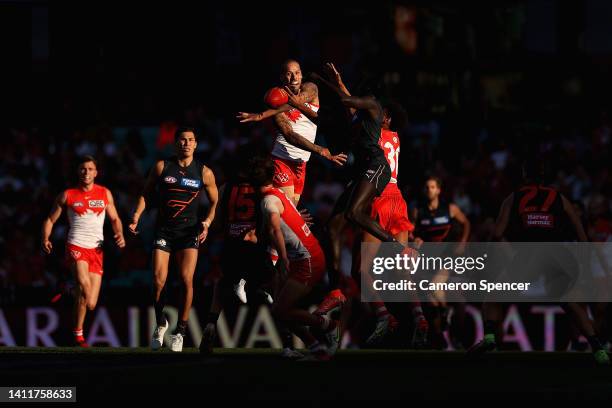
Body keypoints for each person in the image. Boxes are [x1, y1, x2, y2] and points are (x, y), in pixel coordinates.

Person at [468, 160, 609, 365]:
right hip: (558, 254)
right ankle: (598, 349)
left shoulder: (513, 198)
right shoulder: (559, 198)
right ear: (544, 177)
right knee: (569, 302)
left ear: (524, 175)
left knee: (493, 293)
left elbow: (497, 234)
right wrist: (583, 266)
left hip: (529, 254)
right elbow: (582, 235)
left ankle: (489, 338)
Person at [129, 127, 218, 352]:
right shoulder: (162, 166)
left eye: (190, 140)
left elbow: (216, 203)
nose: (186, 143)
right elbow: (146, 193)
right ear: (175, 143)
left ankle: (181, 331)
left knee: (186, 279)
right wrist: (136, 216)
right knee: (159, 281)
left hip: (189, 233)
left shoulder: (204, 172)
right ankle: (160, 323)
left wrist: (206, 223)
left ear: (196, 144)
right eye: (182, 139)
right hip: (164, 231)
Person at [251, 156, 339, 360]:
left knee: (280, 310)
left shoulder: (268, 201)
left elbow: (275, 228)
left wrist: (282, 258)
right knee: (281, 309)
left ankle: (329, 326)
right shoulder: (278, 192)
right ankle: (316, 348)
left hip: (306, 260)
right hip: (308, 255)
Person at [42, 155, 125, 347]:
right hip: (76, 245)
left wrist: (119, 233)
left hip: (97, 249)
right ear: (77, 171)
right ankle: (78, 335)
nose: (86, 172)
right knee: (84, 286)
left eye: (90, 169)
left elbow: (114, 219)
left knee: (91, 302)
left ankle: (68, 289)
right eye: (82, 169)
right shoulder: (67, 195)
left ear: (96, 172)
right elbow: (50, 220)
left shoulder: (105, 193)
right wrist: (45, 237)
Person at [237, 59, 347, 204]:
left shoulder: (310, 88)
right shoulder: (274, 100)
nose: (294, 77)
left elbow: (296, 102)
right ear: (282, 77)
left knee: (291, 212)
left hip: (302, 164)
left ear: (302, 75)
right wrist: (319, 150)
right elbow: (289, 135)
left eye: (297, 73)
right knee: (286, 212)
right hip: (281, 160)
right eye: (289, 74)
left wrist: (262, 115)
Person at [411, 176, 471, 349]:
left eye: (432, 187)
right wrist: (415, 238)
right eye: (426, 187)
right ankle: (440, 336)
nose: (429, 190)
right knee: (430, 300)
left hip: (446, 256)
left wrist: (463, 242)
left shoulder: (450, 209)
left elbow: (466, 223)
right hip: (427, 259)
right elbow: (410, 232)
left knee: (435, 286)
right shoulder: (417, 211)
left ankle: (447, 313)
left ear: (438, 190)